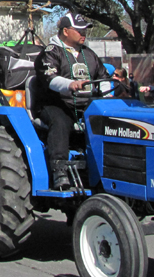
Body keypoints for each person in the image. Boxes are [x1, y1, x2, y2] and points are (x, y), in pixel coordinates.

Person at [34, 12, 109, 190]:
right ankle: (59, 169)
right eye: (79, 30)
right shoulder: (50, 53)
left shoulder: (89, 54)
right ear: (66, 31)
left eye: (85, 30)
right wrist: (70, 84)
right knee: (60, 121)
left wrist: (107, 95)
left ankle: (106, 166)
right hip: (55, 104)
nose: (84, 34)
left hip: (85, 105)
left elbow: (104, 77)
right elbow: (50, 78)